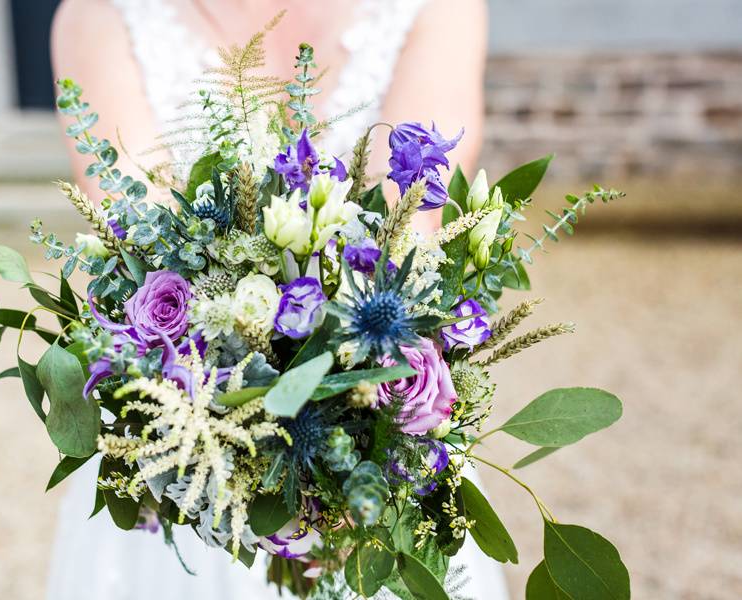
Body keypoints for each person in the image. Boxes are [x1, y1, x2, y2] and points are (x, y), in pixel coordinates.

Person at [48, 1, 507, 598]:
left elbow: (412, 228)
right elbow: (135, 233)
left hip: (380, 440)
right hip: (190, 444)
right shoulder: (101, 14)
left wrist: (360, 440)